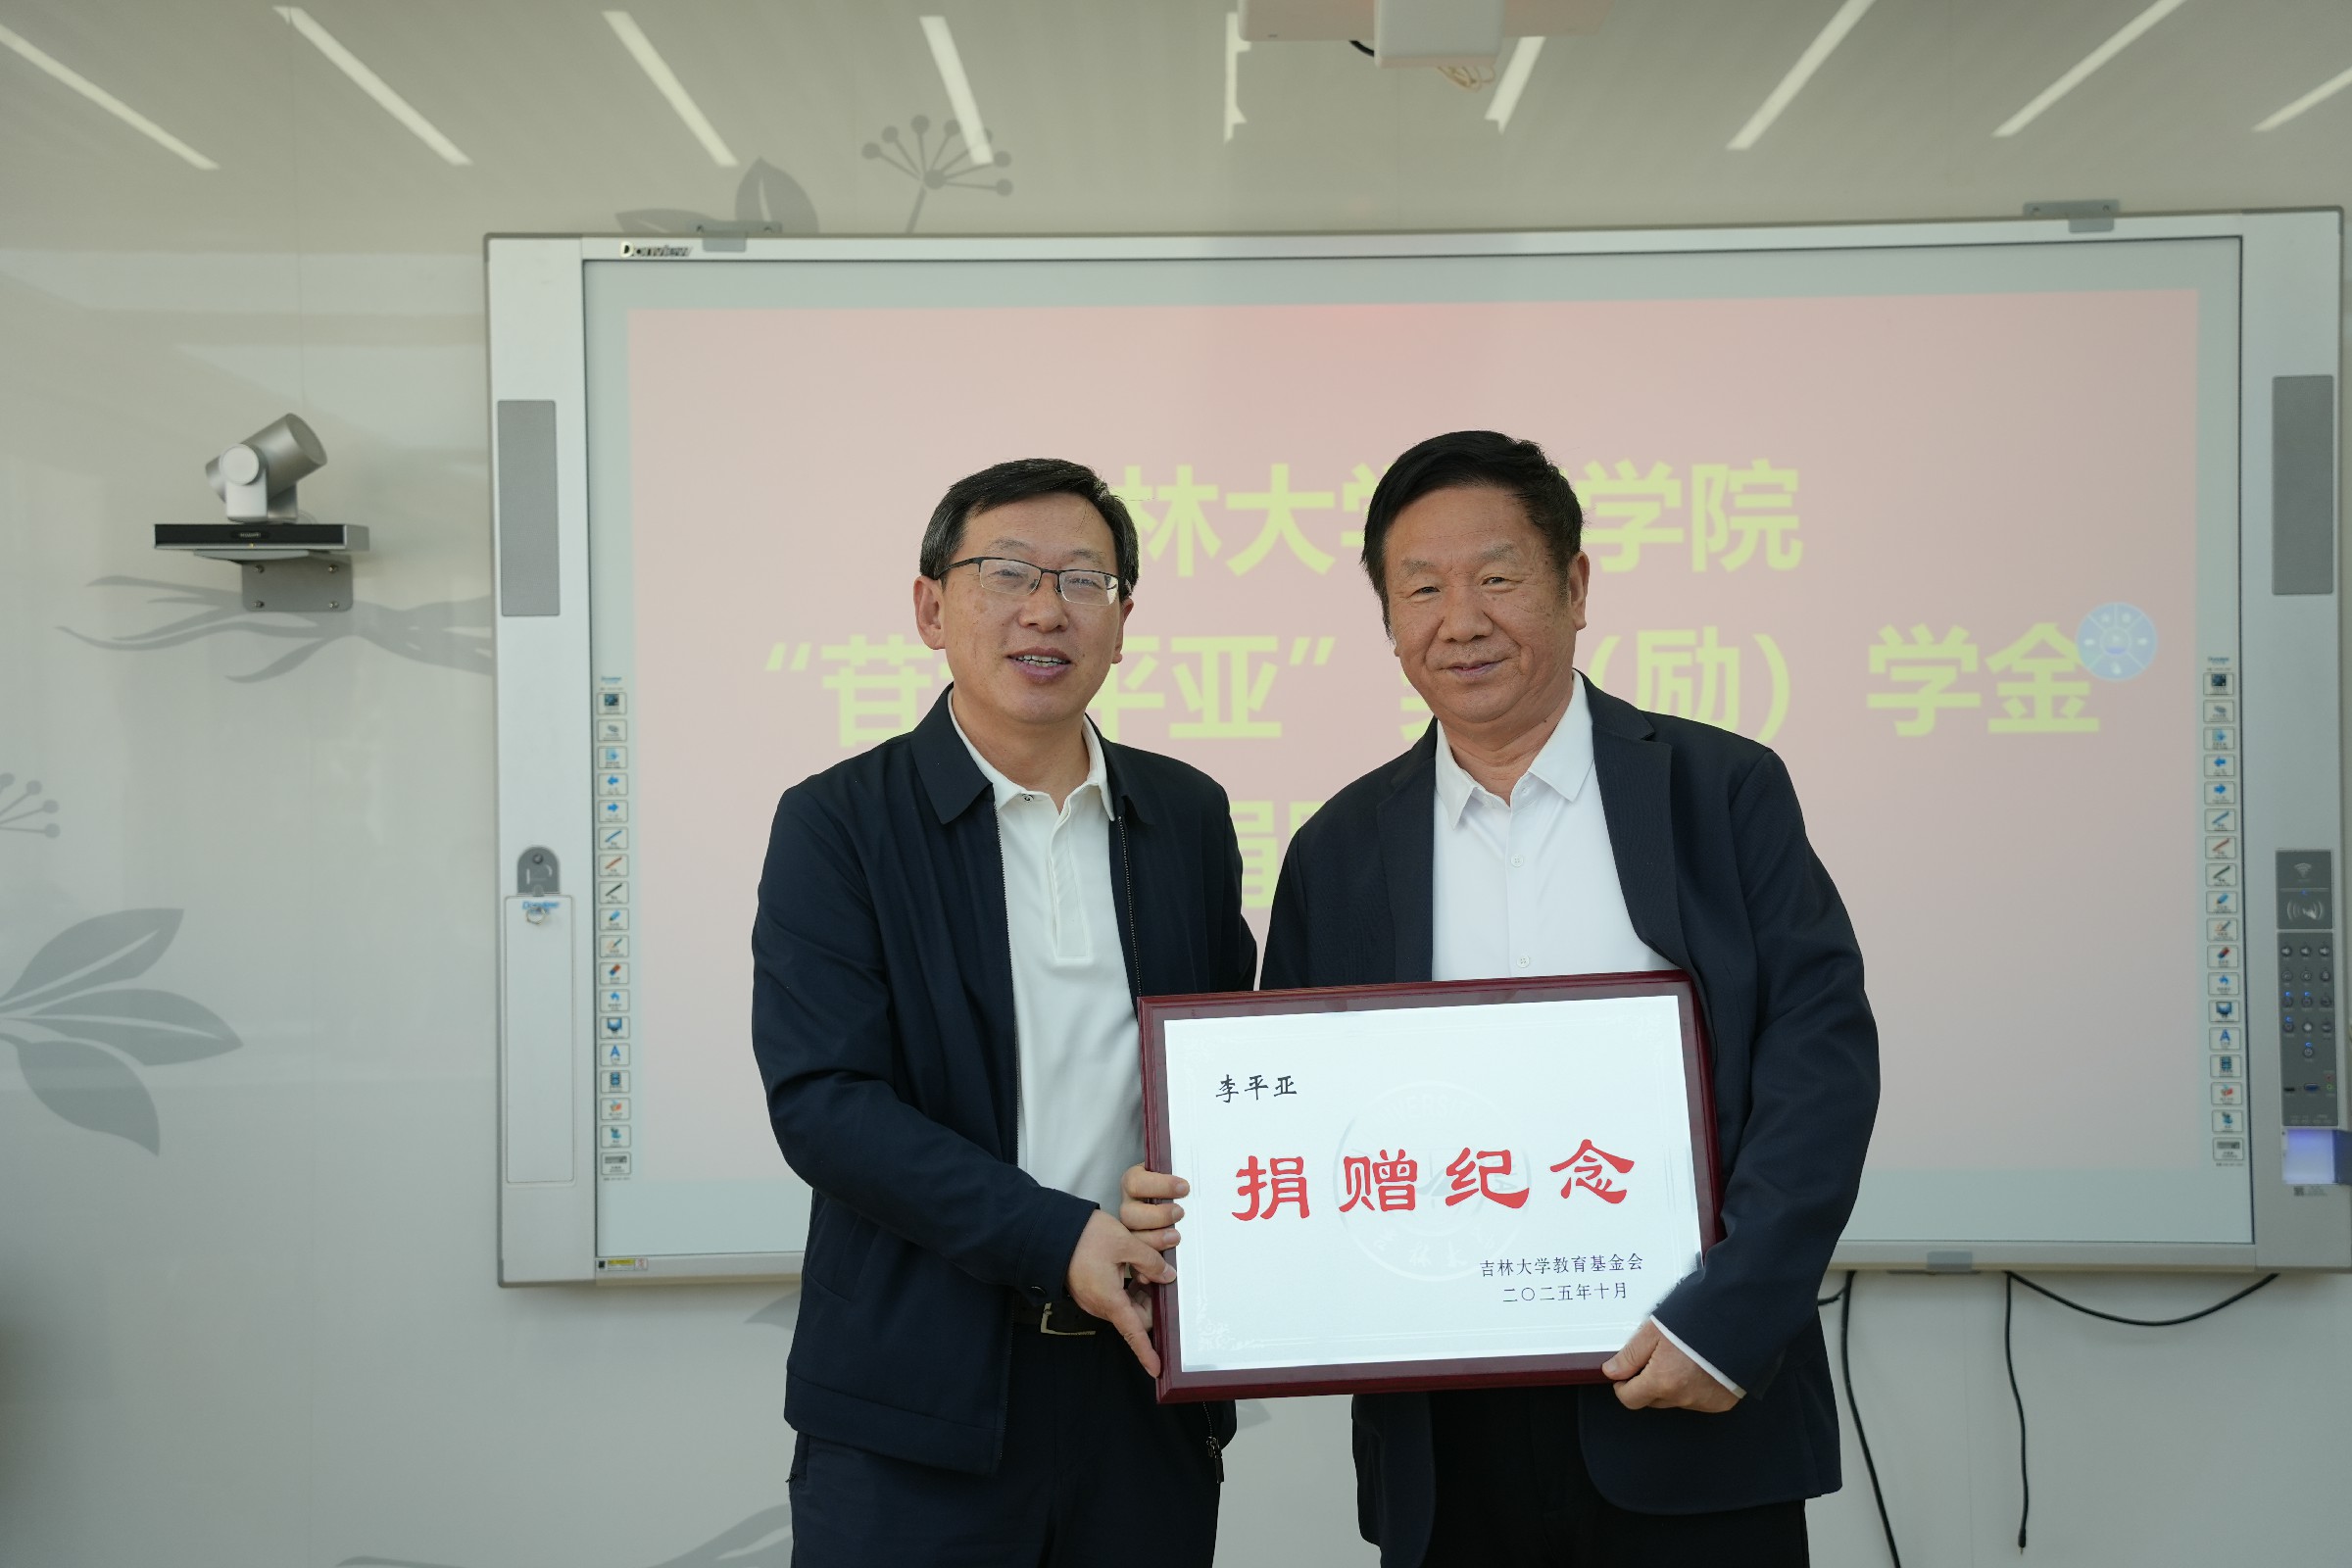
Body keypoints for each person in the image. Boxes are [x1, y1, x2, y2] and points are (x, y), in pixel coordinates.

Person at [1123, 430, 1878, 1567]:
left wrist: (1729, 1322)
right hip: (1446, 1438)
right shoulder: (1339, 848)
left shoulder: (1720, 793)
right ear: (1388, 621)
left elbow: (1819, 1067)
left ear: (1576, 585)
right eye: (1421, 589)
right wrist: (1206, 1202)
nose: (1460, 620)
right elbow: (1300, 1123)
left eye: (1497, 577)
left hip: (1689, 1399)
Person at [753, 458, 1255, 1567]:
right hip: (915, 1409)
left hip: (1142, 1387)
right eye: (1009, 573)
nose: (1046, 609)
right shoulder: (840, 824)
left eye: (1084, 580)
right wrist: (1056, 1235)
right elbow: (825, 1103)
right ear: (932, 608)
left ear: (1122, 622)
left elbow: (1232, 1072)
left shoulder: (1185, 815)